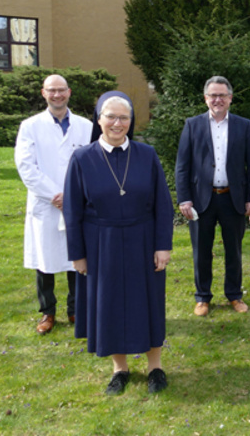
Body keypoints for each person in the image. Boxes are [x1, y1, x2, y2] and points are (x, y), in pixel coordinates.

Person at [63, 95, 173, 395]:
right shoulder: (82, 158)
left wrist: (163, 245)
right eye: (110, 117)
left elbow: (163, 205)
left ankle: (155, 367)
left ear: (131, 121)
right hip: (101, 243)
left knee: (148, 301)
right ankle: (119, 368)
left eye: (124, 118)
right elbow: (72, 209)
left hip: (143, 238)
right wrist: (78, 254)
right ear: (99, 119)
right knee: (108, 304)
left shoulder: (146, 155)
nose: (117, 123)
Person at [14, 74, 93, 335]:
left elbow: (92, 164)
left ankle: (74, 309)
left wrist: (73, 196)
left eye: (61, 90)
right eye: (52, 91)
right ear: (43, 93)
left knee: (75, 257)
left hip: (77, 202)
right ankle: (47, 312)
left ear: (69, 92)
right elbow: (26, 167)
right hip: (45, 204)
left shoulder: (85, 125)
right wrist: (55, 195)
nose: (57, 95)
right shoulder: (30, 126)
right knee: (44, 259)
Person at [176, 76, 250, 317]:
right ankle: (202, 297)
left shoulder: (243, 125)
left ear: (230, 98)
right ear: (205, 98)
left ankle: (234, 295)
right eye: (213, 95)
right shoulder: (192, 124)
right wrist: (184, 198)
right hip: (202, 200)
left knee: (234, 249)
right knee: (201, 250)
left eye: (222, 95)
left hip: (233, 199)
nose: (217, 99)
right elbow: (183, 165)